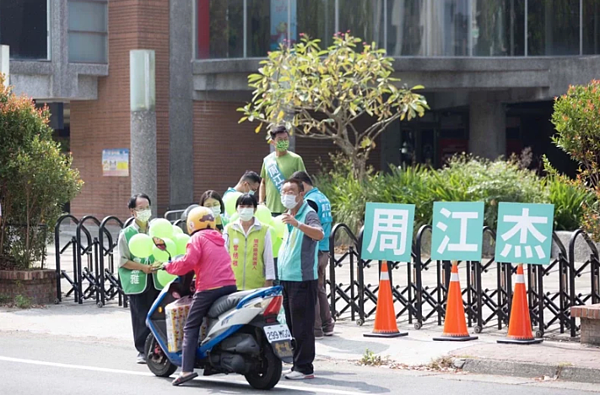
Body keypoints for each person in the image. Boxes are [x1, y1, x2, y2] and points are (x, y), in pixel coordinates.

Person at [162, 206, 237, 386]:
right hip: (230, 285)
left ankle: (186, 369)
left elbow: (189, 262)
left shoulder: (197, 238)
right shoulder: (219, 237)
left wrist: (169, 266)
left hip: (209, 288)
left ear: (191, 224)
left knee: (191, 325)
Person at [278, 178, 324, 380]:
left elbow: (319, 234)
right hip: (286, 278)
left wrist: (298, 224)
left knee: (303, 325)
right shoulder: (288, 215)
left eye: (291, 192)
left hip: (302, 279)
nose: (286, 195)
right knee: (291, 323)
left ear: (301, 194)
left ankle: (305, 367)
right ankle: (297, 364)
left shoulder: (308, 213)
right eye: (284, 191)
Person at [117, 193, 162, 364]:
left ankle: (159, 347)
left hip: (157, 279)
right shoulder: (126, 234)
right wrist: (143, 268)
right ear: (132, 211)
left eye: (147, 208)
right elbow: (123, 261)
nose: (145, 211)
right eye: (140, 209)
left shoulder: (157, 230)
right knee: (140, 315)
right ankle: (143, 349)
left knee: (157, 314)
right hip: (138, 279)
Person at [291, 171, 335, 339]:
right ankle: (327, 324)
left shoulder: (310, 201)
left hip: (314, 250)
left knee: (312, 290)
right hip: (324, 249)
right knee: (319, 289)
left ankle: (316, 329)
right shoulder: (322, 197)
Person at [223, 194, 276, 290]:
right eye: (242, 206)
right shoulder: (229, 229)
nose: (245, 209)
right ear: (237, 209)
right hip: (232, 283)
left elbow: (268, 257)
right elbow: (223, 255)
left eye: (249, 206)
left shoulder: (264, 229)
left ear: (255, 209)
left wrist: (269, 279)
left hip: (256, 284)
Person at [259, 126, 306, 216]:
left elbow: (303, 183)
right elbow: (263, 182)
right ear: (273, 142)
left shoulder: (296, 159)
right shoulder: (267, 160)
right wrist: (261, 201)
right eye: (280, 140)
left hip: (290, 209)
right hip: (270, 210)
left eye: (285, 139)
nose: (283, 142)